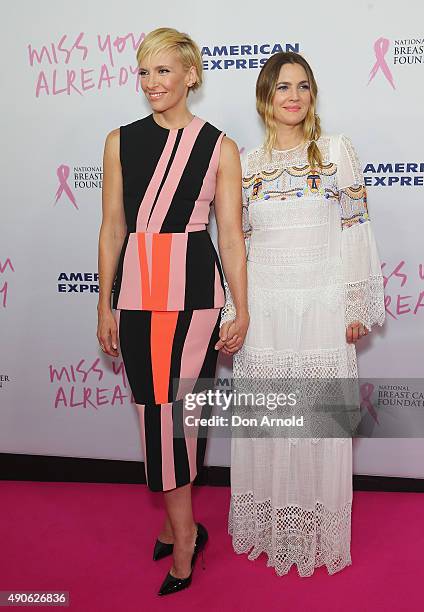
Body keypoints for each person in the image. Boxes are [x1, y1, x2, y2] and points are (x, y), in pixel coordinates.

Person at [220, 51, 385, 576]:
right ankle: (270, 527)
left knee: (319, 423)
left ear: (313, 95)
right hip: (265, 308)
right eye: (282, 87)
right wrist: (235, 308)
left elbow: (354, 228)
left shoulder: (336, 151)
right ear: (265, 97)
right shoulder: (243, 163)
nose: (293, 96)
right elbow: (235, 243)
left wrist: (357, 301)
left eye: (303, 86)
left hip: (322, 303)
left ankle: (316, 530)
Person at [96, 27, 248, 595]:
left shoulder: (219, 146)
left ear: (190, 76)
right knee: (150, 411)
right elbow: (113, 228)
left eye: (164, 71)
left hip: (194, 296)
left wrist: (242, 306)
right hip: (135, 292)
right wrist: (105, 301)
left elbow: (230, 237)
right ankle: (175, 521)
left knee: (174, 413)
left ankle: (185, 540)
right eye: (144, 72)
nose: (153, 83)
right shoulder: (118, 141)